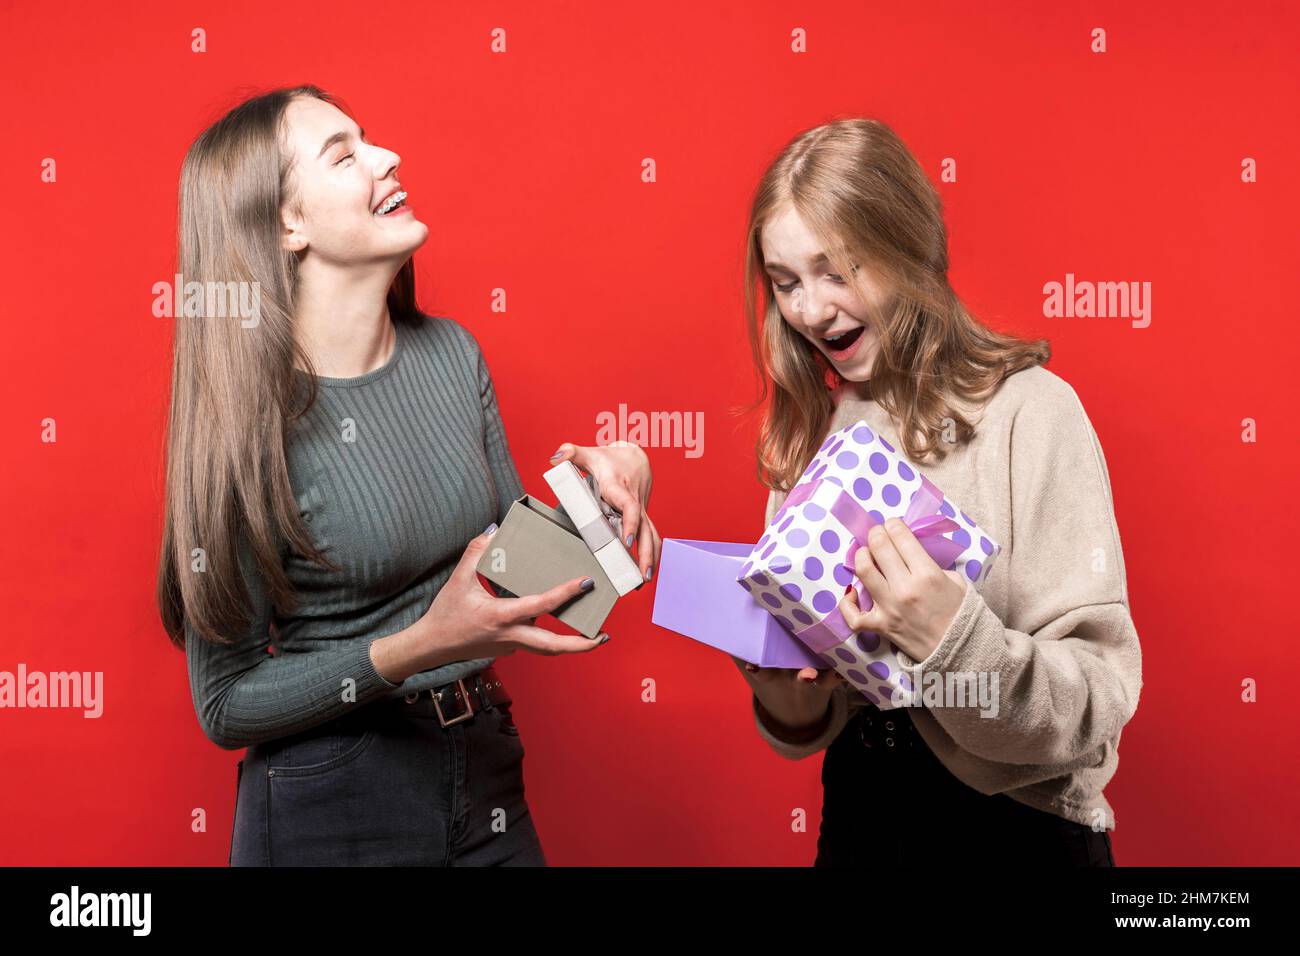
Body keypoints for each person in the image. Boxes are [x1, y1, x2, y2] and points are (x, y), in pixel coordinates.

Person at [156, 85, 660, 866]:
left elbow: (506, 576)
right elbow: (224, 704)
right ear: (286, 224)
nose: (388, 158)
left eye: (372, 139)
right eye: (344, 154)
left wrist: (610, 491)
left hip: (484, 762)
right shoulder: (246, 426)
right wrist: (415, 648)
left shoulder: (452, 356)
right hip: (335, 798)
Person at [733, 118, 1141, 867]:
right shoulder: (809, 438)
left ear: (907, 248)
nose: (812, 311)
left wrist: (952, 637)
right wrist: (783, 687)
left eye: (838, 270)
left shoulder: (1033, 412)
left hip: (1015, 833)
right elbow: (810, 724)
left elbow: (1095, 703)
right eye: (787, 282)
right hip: (859, 822)